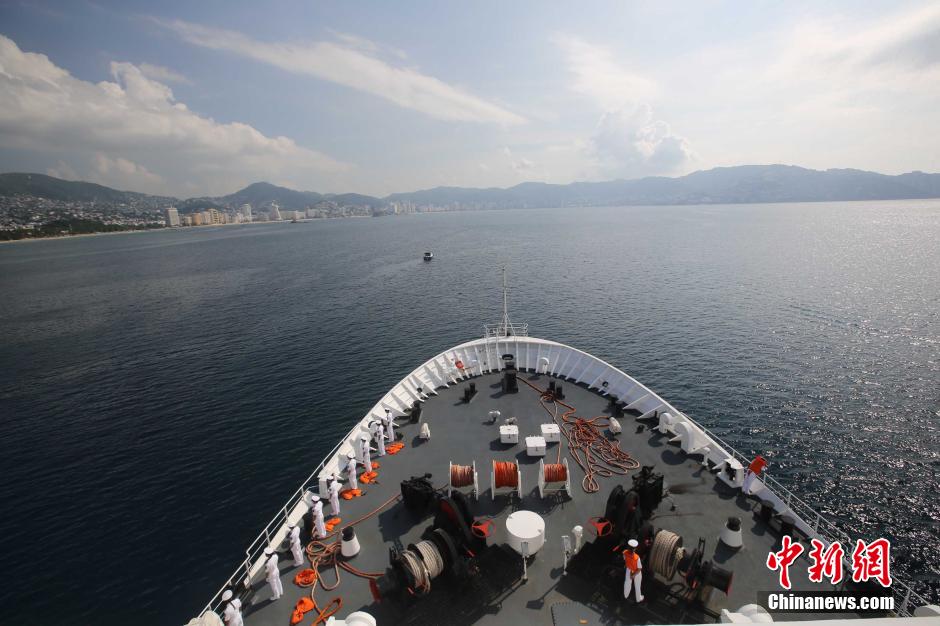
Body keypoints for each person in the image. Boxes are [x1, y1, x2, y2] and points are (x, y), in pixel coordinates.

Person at [622, 539, 644, 603]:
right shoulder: (637, 558)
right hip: (635, 571)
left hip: (630, 570)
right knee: (637, 585)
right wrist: (633, 575)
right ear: (635, 549)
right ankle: (638, 598)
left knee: (628, 583)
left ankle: (626, 595)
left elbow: (625, 560)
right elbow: (639, 568)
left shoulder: (624, 552)